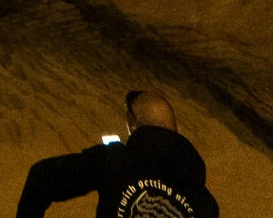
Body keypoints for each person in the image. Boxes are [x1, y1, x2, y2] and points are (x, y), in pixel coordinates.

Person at [15, 86, 219, 217]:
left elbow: (41, 178)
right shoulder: (206, 206)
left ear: (132, 126)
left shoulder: (114, 161)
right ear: (178, 130)